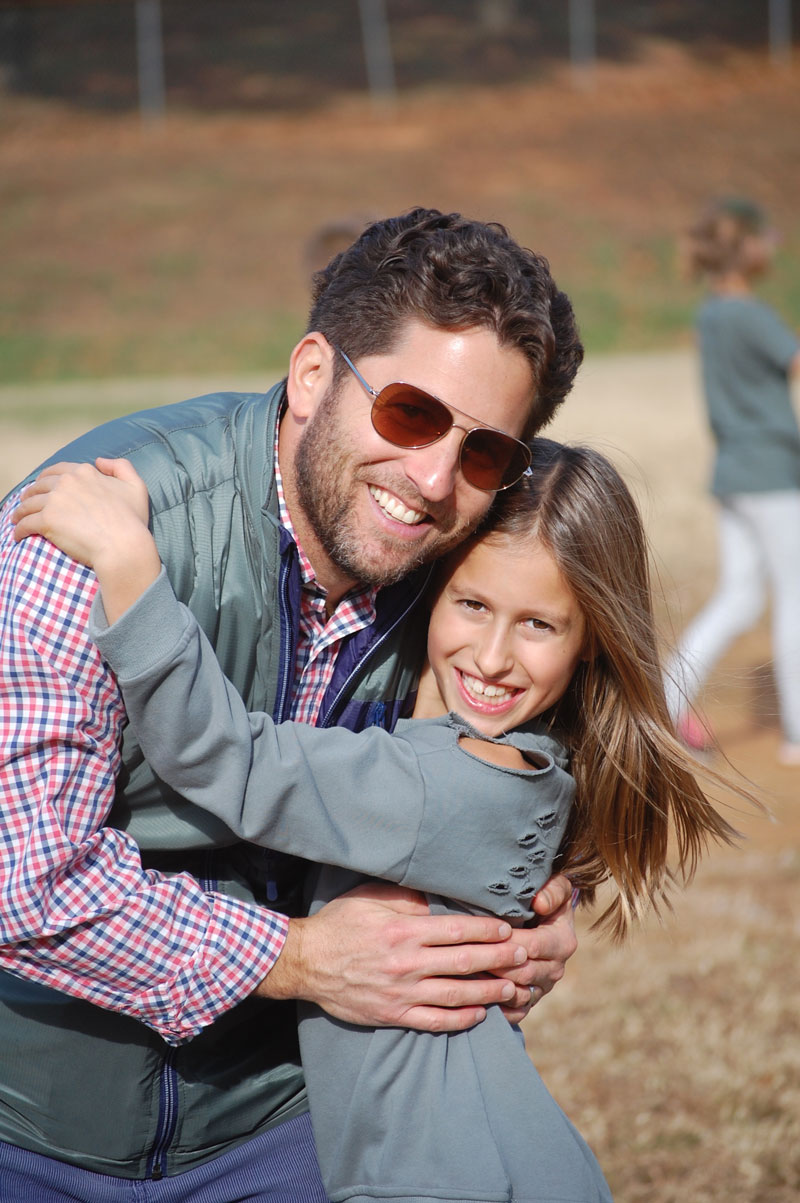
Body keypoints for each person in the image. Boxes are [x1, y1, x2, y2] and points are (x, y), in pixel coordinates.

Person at [0, 208, 584, 1201]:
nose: (435, 477)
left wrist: (530, 912)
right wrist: (304, 959)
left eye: (485, 452)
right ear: (314, 374)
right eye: (410, 411)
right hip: (31, 1125)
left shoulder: (458, 580)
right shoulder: (96, 535)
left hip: (292, 1124)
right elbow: (25, 883)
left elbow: (504, 753)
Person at [12, 439, 741, 1203]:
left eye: (538, 625)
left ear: (591, 641)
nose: (491, 656)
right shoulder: (517, 764)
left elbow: (226, 761)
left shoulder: (439, 785)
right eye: (472, 604)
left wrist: (131, 567)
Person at [664, 196, 800, 765]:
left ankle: (665, 699)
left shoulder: (710, 314)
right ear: (743, 248)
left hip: (733, 475)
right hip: (771, 474)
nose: (772, 243)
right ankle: (797, 732)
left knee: (741, 597)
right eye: (762, 236)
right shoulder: (750, 313)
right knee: (794, 599)